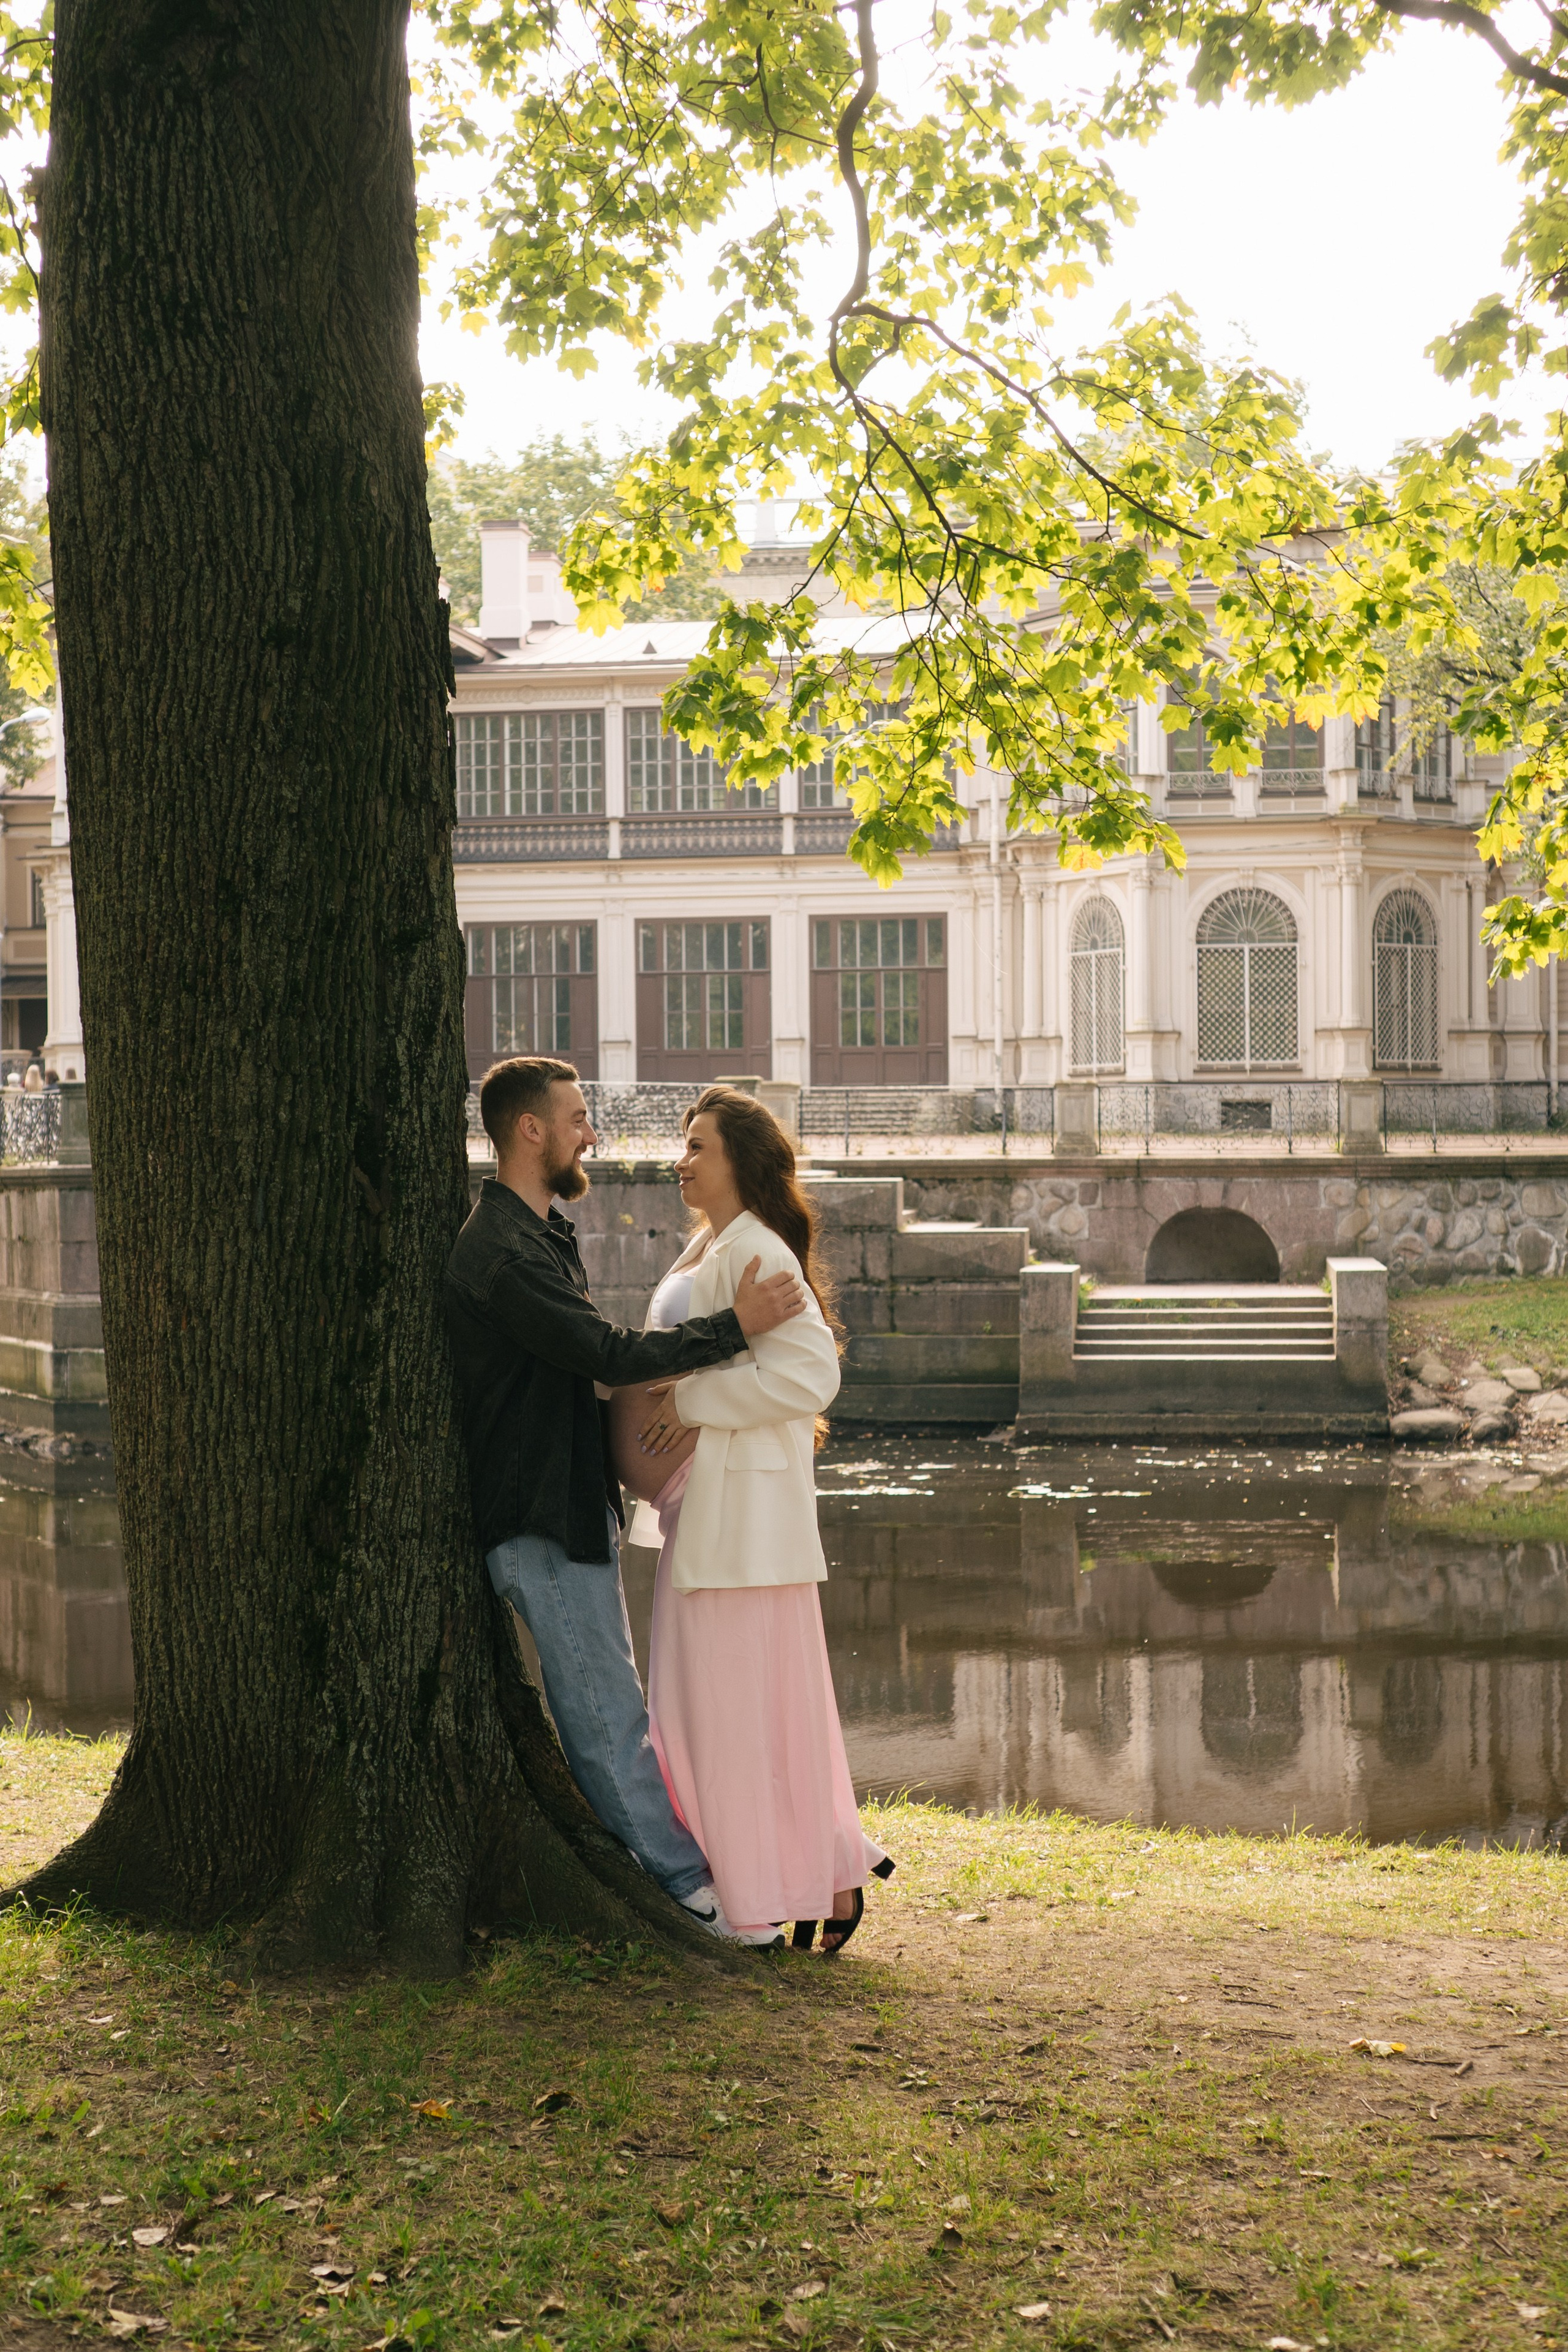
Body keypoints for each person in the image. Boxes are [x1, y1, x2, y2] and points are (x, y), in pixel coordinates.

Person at [443, 1055, 808, 1944]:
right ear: (530, 1130)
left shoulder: (540, 1235)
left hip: (571, 1509)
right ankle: (694, 1890)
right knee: (608, 1716)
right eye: (575, 1119)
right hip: (538, 1518)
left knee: (613, 1705)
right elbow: (604, 1353)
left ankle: (688, 1872)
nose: (590, 1134)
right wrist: (734, 1331)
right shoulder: (499, 1251)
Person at [626, 1085, 892, 1955]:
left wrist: (693, 1398)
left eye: (698, 1146)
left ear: (740, 1160)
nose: (682, 1159)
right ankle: (817, 1877)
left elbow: (813, 1376)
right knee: (724, 1714)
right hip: (709, 1514)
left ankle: (762, 1897)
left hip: (739, 1524)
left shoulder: (756, 1251)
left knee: (731, 1718)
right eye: (683, 1144)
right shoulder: (718, 1244)